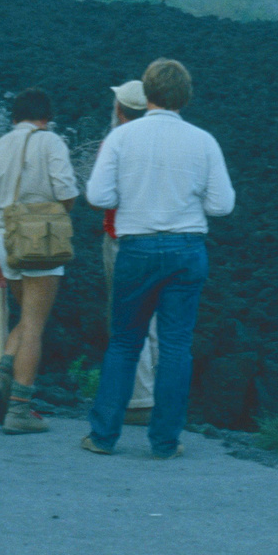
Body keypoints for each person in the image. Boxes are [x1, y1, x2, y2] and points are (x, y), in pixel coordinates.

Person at [82, 59, 235, 458]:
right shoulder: (203, 141)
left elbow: (98, 197)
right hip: (187, 250)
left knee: (124, 343)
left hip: (136, 248)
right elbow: (222, 204)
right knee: (176, 347)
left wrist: (130, 198)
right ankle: (165, 441)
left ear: (147, 93)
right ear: (184, 95)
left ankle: (103, 436)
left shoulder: (121, 138)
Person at [0, 87, 79, 434]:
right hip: (39, 241)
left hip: (4, 240)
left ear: (15, 116)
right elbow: (66, 193)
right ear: (45, 117)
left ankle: (2, 374)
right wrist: (52, 214)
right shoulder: (51, 142)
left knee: (25, 317)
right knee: (34, 323)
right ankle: (19, 408)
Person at [102, 79, 157, 426]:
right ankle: (157, 394)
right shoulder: (165, 139)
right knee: (157, 318)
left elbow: (102, 195)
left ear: (120, 110)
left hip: (122, 238)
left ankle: (138, 400)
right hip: (163, 237)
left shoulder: (116, 142)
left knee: (128, 317)